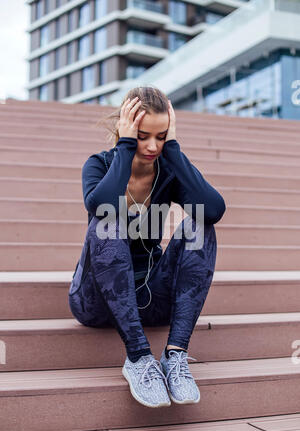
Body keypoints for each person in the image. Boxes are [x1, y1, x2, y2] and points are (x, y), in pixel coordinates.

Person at [68, 86, 226, 408]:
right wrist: (125, 149)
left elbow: (214, 209)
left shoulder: (167, 169)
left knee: (199, 224)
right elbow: (100, 207)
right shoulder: (98, 165)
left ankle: (176, 355)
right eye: (142, 135)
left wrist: (175, 151)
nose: (153, 146)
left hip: (151, 298)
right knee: (107, 221)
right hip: (97, 302)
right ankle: (139, 358)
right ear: (124, 128)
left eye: (161, 136)